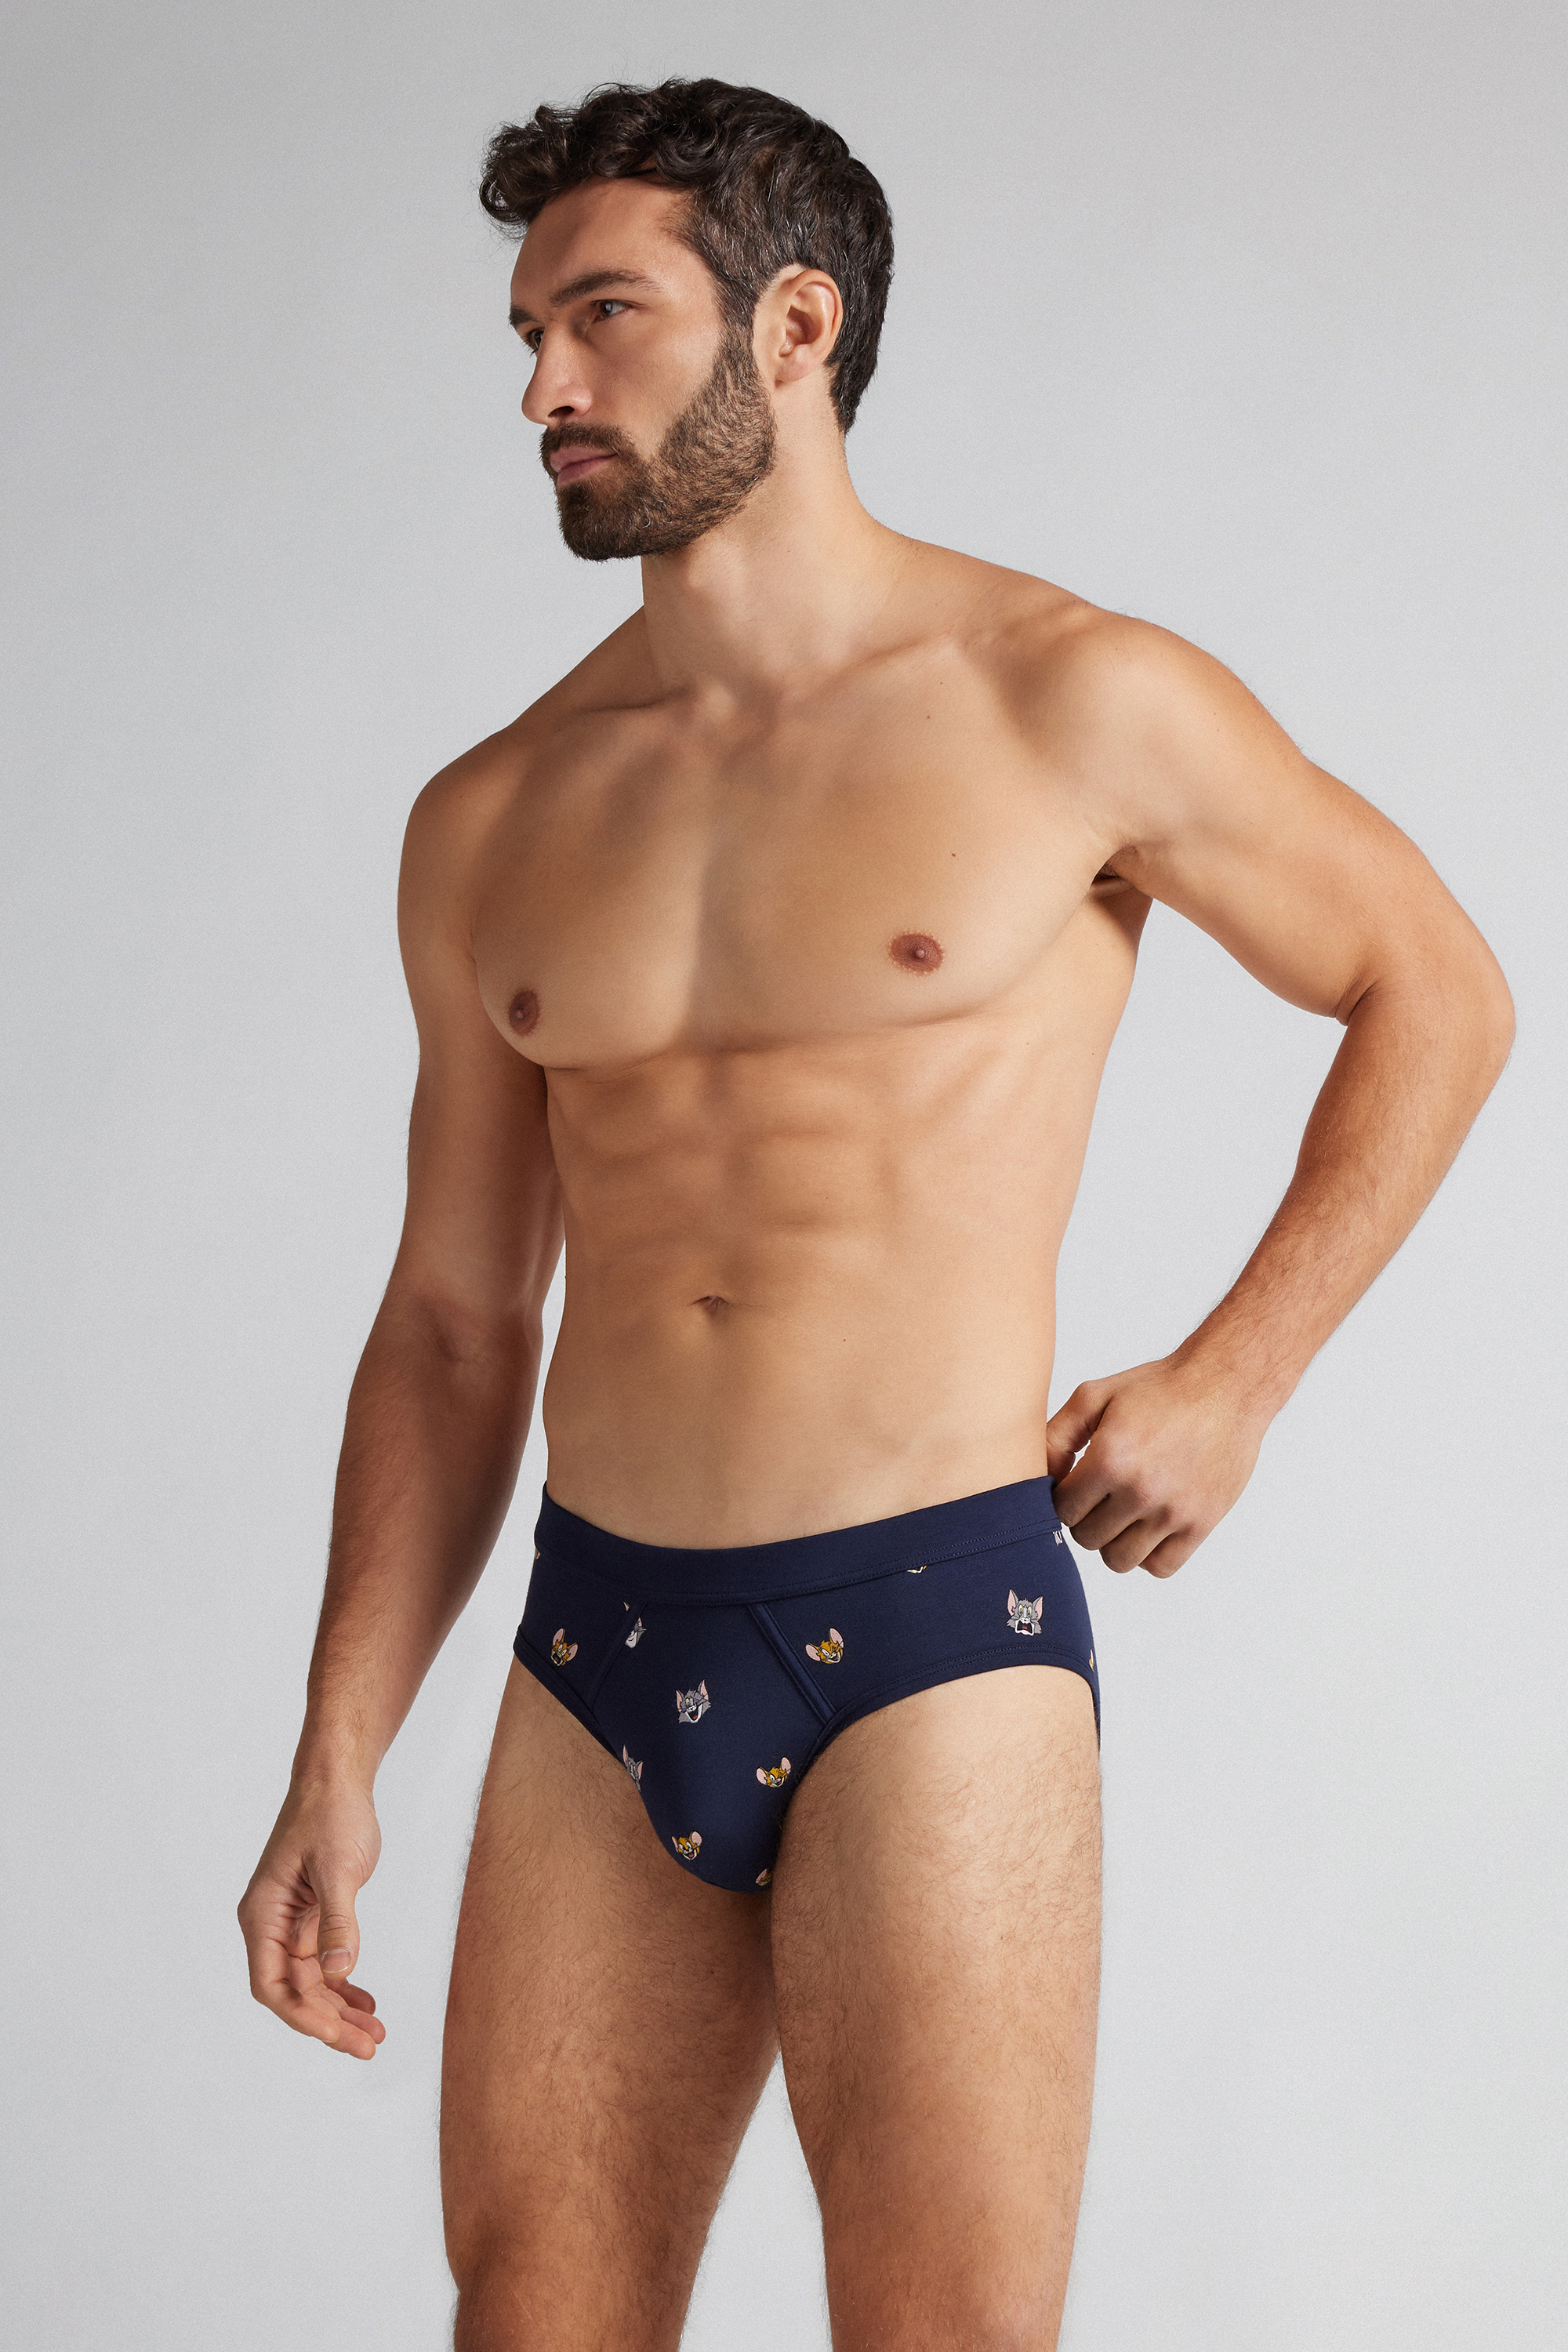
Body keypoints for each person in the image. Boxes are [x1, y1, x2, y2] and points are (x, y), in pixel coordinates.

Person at [237, 77, 1513, 2352]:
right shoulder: (492, 816)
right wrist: (340, 1744)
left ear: (795, 323)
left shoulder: (1067, 698)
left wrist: (1237, 1379)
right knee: (533, 2318)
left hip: (933, 1622)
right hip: (597, 1638)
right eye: (528, 334)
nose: (543, 390)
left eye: (605, 318)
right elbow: (452, 1318)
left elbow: (1439, 987)